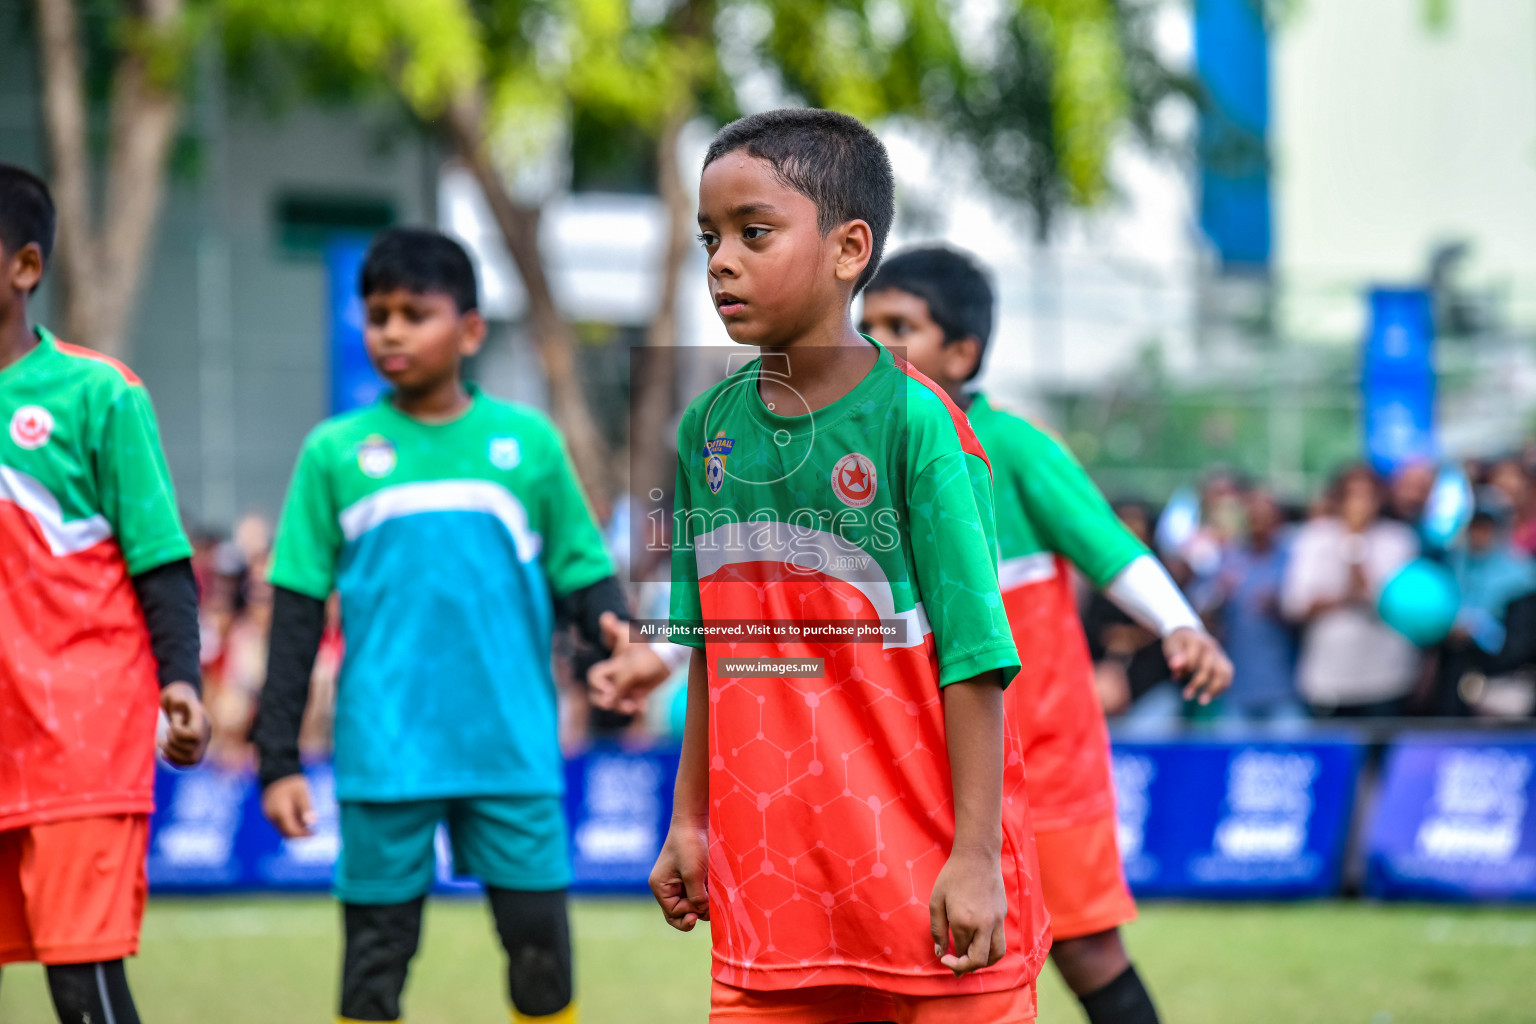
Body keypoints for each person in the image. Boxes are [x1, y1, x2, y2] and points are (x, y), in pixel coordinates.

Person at [620, 109, 1048, 1024]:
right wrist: (689, 819)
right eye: (710, 237)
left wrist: (976, 858)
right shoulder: (707, 432)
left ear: (851, 248)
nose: (720, 261)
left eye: (754, 233)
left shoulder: (918, 425)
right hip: (774, 898)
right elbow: (709, 648)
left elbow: (976, 656)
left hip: (933, 884)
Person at [251, 227, 639, 1024]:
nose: (390, 331)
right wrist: (277, 758)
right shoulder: (336, 451)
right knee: (373, 968)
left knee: (540, 960)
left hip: (511, 747)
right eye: (377, 313)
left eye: (413, 313)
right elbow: (294, 616)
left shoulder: (527, 443)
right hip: (385, 751)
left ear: (468, 329)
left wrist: (620, 637)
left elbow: (582, 576)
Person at [859, 245, 1231, 1024]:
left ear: (963, 352)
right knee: (917, 962)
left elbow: (1109, 545)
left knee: (1088, 949)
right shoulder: (855, 462)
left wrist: (1180, 623)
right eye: (866, 326)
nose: (877, 344)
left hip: (1045, 757)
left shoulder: (1015, 447)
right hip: (921, 768)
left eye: (902, 325)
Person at [0, 163, 209, 1023]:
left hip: (77, 740)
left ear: (24, 268)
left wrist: (184, 681)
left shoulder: (99, 393)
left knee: (81, 987)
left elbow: (160, 558)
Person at [1282, 464, 1420, 716]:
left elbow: (1391, 605)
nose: (1360, 504)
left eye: (1368, 496)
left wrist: (1355, 546)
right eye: (1352, 495)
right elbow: (1296, 605)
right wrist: (1348, 598)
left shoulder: (1399, 540)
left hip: (1386, 676)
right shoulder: (1313, 538)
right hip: (1328, 677)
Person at [1209, 489, 1304, 727]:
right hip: (1236, 687)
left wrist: (1280, 607)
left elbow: (1304, 619)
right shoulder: (1227, 559)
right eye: (1253, 516)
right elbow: (1204, 618)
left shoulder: (1294, 559)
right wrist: (1219, 596)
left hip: (1285, 686)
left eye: (1266, 517)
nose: (1259, 524)